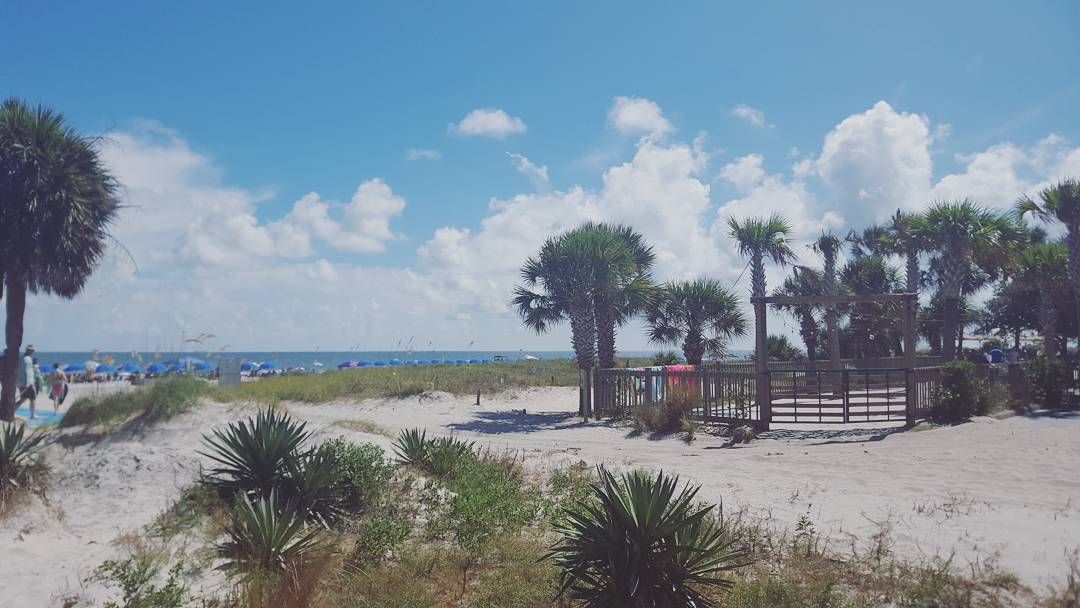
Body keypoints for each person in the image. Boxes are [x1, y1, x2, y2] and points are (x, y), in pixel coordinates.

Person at [14, 344, 38, 419]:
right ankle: (33, 415)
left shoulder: (21, 357)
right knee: (33, 398)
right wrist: (28, 384)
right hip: (28, 383)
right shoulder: (27, 359)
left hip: (20, 383)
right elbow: (28, 372)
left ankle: (12, 410)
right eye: (32, 351)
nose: (33, 352)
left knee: (23, 399)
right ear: (30, 351)